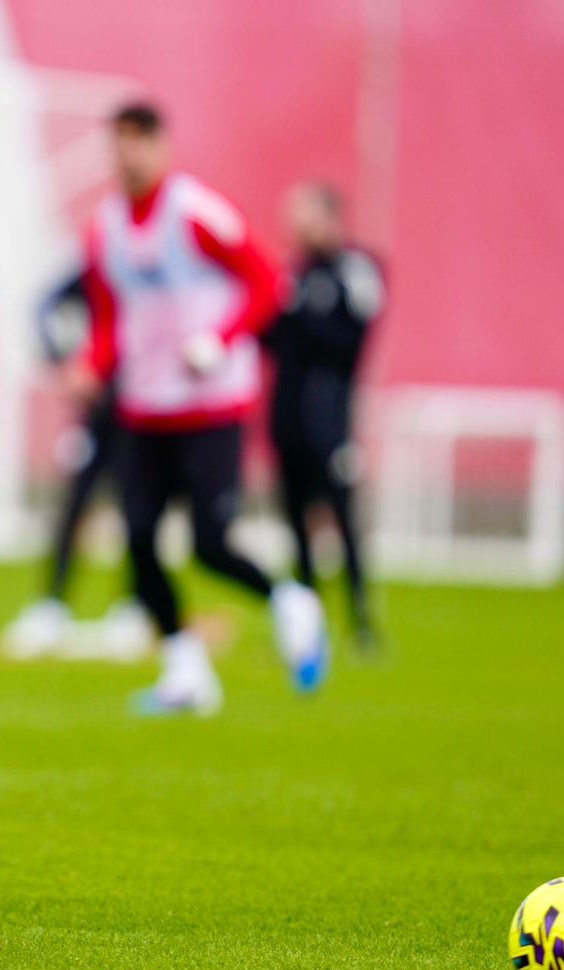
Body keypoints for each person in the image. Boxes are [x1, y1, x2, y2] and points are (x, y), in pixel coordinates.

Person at [75, 102, 327, 714]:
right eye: (120, 143)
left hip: (212, 406)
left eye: (140, 142)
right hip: (146, 407)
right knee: (136, 539)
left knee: (210, 544)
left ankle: (291, 600)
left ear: (162, 147)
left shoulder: (196, 213)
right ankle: (186, 671)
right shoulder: (104, 227)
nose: (129, 155)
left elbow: (269, 282)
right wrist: (94, 364)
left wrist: (219, 340)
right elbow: (113, 316)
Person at [0, 270, 149, 661]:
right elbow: (46, 305)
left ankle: (133, 608)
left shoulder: (156, 274)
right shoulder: (101, 264)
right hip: (100, 412)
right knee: (75, 506)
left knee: (137, 510)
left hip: (143, 409)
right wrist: (64, 360)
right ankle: (52, 606)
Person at [265, 182, 385, 649]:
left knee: (341, 516)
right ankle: (309, 624)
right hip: (287, 417)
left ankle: (361, 621)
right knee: (294, 522)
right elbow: (271, 338)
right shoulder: (289, 275)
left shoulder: (357, 270)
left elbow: (348, 339)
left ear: (333, 217)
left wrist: (304, 316)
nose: (297, 225)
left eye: (306, 214)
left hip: (330, 418)